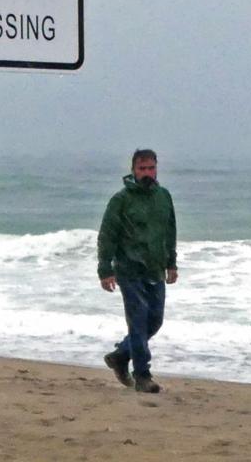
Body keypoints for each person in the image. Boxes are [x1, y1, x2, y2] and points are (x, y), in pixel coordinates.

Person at [97, 148, 178, 393]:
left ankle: (121, 355)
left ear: (156, 169)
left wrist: (171, 263)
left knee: (155, 320)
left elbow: (170, 231)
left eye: (151, 168)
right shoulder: (121, 200)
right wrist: (105, 270)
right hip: (129, 270)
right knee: (139, 321)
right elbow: (107, 236)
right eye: (142, 169)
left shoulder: (163, 196)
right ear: (133, 170)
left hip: (155, 269)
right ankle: (142, 375)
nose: (147, 173)